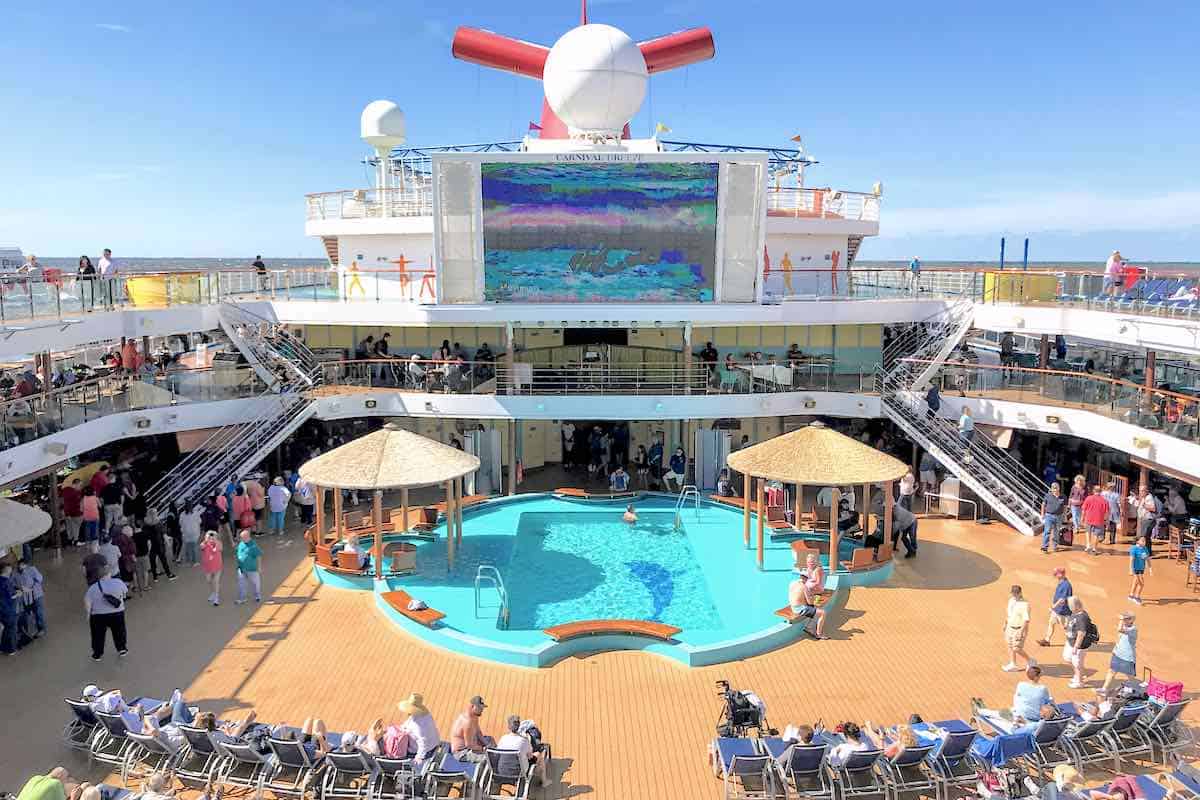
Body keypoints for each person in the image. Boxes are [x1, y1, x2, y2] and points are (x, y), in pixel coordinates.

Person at [85, 568, 129, 660]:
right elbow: (125, 592)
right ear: (109, 574)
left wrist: (88, 614)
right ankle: (122, 649)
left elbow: (87, 601)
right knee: (119, 632)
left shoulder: (93, 587)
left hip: (98, 615)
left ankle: (97, 654)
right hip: (117, 613)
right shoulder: (118, 582)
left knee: (98, 635)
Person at [497, 714, 550, 787]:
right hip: (519, 772)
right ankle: (544, 781)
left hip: (501, 771)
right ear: (519, 726)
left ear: (508, 726)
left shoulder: (503, 739)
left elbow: (498, 753)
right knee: (538, 755)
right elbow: (530, 755)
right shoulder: (523, 740)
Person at [396, 693, 442, 765]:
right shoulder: (425, 716)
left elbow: (423, 743)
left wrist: (418, 758)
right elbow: (408, 723)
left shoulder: (418, 726)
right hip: (434, 743)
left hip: (427, 751)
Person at [1001, 584, 1036, 672]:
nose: (1014, 595)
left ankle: (1030, 660)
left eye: (1016, 593)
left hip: (1019, 629)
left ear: (1020, 593)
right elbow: (1009, 614)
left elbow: (1026, 620)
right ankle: (1013, 664)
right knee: (1010, 645)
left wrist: (1021, 631)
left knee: (1017, 648)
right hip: (1010, 627)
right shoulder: (1011, 601)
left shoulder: (1025, 604)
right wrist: (1005, 623)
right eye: (1013, 593)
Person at [450, 695, 495, 763]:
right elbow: (469, 745)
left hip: (472, 743)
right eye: (480, 708)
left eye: (482, 707)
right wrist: (483, 748)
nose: (482, 710)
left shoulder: (474, 715)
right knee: (488, 758)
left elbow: (478, 732)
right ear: (472, 706)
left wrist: (486, 744)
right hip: (462, 752)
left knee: (490, 740)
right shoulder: (467, 723)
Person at [787, 562, 827, 639]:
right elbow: (810, 602)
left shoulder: (792, 583)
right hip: (799, 609)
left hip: (793, 606)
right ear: (806, 578)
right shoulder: (805, 587)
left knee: (814, 609)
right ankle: (819, 634)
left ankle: (809, 627)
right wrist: (813, 598)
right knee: (822, 613)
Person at [1037, 567, 1073, 647]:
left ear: (1061, 574)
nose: (1055, 575)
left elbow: (1062, 600)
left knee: (1066, 628)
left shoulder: (1066, 585)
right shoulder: (1061, 582)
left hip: (1063, 612)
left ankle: (1074, 642)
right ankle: (1047, 640)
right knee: (1051, 623)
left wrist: (1053, 606)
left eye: (1056, 574)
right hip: (1056, 610)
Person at [1102, 612, 1138, 692]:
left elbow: (1120, 629)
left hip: (1128, 657)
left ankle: (1135, 689)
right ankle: (1104, 689)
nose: (1124, 620)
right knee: (1111, 671)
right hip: (1118, 654)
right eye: (1124, 619)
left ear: (1131, 620)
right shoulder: (1125, 626)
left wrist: (1121, 619)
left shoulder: (1133, 629)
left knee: (1130, 676)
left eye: (1126, 619)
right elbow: (1119, 638)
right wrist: (1115, 649)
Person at [1064, 596, 1093, 688]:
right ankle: (1078, 675)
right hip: (1070, 642)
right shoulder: (1075, 613)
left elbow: (1081, 633)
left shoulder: (1082, 617)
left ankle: (1079, 682)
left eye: (1070, 605)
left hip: (1079, 646)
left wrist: (1076, 646)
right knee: (1068, 658)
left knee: (1077, 663)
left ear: (1075, 606)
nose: (1069, 607)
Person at [144, 509, 176, 581]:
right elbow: (164, 534)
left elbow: (146, 537)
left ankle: (155, 577)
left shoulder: (146, 524)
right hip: (159, 544)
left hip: (151, 545)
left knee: (152, 561)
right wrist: (168, 543)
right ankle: (169, 575)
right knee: (163, 561)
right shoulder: (159, 523)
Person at [235, 529, 263, 604]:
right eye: (241, 538)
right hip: (241, 568)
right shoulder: (241, 543)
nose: (241, 539)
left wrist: (259, 567)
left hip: (252, 569)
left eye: (243, 538)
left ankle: (257, 596)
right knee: (241, 583)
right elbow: (238, 551)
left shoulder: (253, 546)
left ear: (248, 537)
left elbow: (259, 555)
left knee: (255, 583)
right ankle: (242, 598)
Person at [1081, 485, 1109, 556]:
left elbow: (1084, 509)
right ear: (1101, 492)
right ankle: (1094, 548)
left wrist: (1082, 518)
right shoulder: (1105, 501)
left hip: (1089, 518)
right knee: (1096, 534)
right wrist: (1106, 521)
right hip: (1099, 520)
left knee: (1088, 531)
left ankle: (1088, 545)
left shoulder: (1088, 498)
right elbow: (1107, 513)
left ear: (1093, 491)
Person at [0, 564, 20, 655]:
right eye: (10, 569)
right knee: (11, 628)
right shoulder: (6, 582)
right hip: (7, 609)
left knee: (6, 628)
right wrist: (19, 593)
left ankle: (2, 647)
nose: (11, 570)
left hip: (1, 609)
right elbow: (12, 595)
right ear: (6, 570)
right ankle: (10, 649)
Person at [1040, 483, 1066, 553]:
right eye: (1053, 488)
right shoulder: (1048, 496)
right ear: (1051, 489)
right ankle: (1044, 547)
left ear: (1059, 488)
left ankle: (1055, 546)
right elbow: (1043, 504)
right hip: (1049, 516)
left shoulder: (1063, 496)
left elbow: (1065, 507)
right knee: (1047, 531)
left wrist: (1065, 516)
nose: (1055, 489)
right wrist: (1042, 514)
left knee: (1056, 532)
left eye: (1056, 488)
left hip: (1059, 516)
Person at [201, 531, 223, 606]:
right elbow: (201, 546)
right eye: (210, 537)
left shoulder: (218, 543)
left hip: (217, 566)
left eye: (213, 537)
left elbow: (220, 548)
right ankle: (213, 592)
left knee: (216, 581)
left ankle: (216, 597)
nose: (211, 539)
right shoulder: (205, 544)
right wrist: (205, 540)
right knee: (209, 580)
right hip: (208, 566)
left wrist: (215, 541)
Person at [1128, 535, 1151, 605]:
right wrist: (1130, 569)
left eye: (1145, 541)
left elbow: (1147, 559)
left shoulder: (1145, 549)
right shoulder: (1134, 549)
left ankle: (1131, 595)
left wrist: (1150, 568)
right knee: (1141, 584)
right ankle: (1137, 597)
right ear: (1138, 541)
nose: (1144, 542)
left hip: (1141, 568)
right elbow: (1131, 560)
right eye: (1142, 541)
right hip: (1135, 568)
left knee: (1135, 582)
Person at [62, 478, 84, 547]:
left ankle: (70, 540)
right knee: (76, 528)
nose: (80, 487)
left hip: (67, 513)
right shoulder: (75, 493)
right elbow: (68, 504)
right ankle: (76, 541)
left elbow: (65, 503)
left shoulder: (65, 490)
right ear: (76, 484)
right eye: (80, 485)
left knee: (69, 527)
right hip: (76, 513)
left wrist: (67, 513)